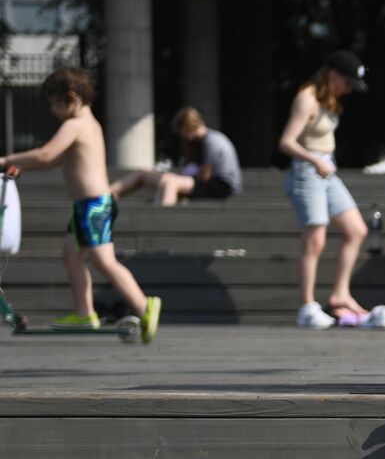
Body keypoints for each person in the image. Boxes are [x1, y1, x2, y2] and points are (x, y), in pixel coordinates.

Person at [0, 67, 161, 342]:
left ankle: (145, 305)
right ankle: (85, 313)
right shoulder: (89, 125)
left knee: (103, 260)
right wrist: (21, 166)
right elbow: (53, 160)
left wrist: (6, 160)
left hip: (94, 205)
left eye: (53, 103)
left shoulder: (75, 125)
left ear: (71, 98)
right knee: (71, 256)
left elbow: (46, 153)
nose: (52, 111)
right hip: (85, 206)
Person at [277, 49, 371, 328]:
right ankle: (307, 306)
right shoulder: (306, 99)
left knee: (357, 230)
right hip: (308, 171)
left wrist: (323, 160)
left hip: (325, 169)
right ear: (333, 76)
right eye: (347, 84)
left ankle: (340, 294)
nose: (349, 91)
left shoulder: (328, 100)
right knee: (315, 239)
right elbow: (286, 142)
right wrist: (314, 159)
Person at [110, 106, 243, 205]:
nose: (182, 137)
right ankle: (109, 193)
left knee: (171, 182)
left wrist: (179, 177)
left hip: (221, 186)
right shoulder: (204, 142)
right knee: (149, 175)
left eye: (182, 132)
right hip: (213, 184)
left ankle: (160, 217)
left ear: (187, 128)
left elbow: (205, 176)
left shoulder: (212, 141)